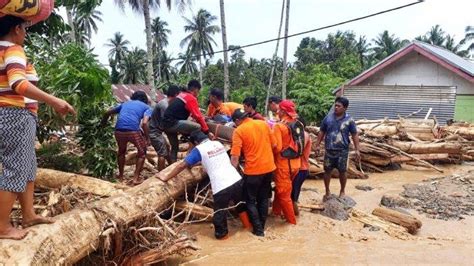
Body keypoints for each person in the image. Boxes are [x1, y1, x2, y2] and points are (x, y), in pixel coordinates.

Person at [0, 15, 76, 240]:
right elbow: (18, 83)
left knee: (28, 167)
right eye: (24, 29)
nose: (25, 34)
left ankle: (29, 214)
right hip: (16, 115)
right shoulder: (13, 49)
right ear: (16, 29)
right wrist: (54, 100)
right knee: (16, 169)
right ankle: (3, 227)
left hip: (11, 115)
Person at [156, 130, 251, 240]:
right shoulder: (218, 143)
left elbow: (181, 165)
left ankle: (223, 240)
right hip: (236, 179)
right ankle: (247, 228)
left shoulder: (199, 149)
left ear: (195, 142)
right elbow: (212, 159)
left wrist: (166, 177)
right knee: (240, 206)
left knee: (219, 215)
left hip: (221, 185)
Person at [230, 109, 276, 237]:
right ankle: (262, 226)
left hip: (253, 171)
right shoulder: (263, 124)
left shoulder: (239, 131)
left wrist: (231, 172)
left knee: (250, 200)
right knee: (263, 198)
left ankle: (258, 230)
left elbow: (235, 157)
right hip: (269, 168)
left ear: (238, 120)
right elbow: (274, 144)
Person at [314, 96, 361, 201]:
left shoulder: (349, 120)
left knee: (343, 171)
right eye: (335, 105)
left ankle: (342, 191)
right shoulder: (328, 118)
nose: (336, 108)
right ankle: (327, 191)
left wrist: (357, 149)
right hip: (329, 150)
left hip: (342, 151)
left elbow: (354, 135)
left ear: (345, 108)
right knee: (327, 171)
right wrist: (317, 145)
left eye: (339, 106)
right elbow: (322, 131)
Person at [101, 91, 151, 185]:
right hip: (133, 131)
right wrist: (147, 139)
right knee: (142, 153)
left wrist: (102, 125)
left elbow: (107, 113)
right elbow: (144, 123)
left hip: (119, 130)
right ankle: (135, 178)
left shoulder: (124, 104)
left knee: (121, 152)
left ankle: (120, 177)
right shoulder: (147, 107)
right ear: (145, 100)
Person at [162, 80, 211, 163]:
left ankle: (172, 165)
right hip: (173, 123)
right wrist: (207, 131)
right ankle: (191, 150)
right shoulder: (190, 98)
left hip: (165, 124)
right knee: (197, 127)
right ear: (195, 89)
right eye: (198, 91)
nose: (197, 93)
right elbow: (198, 116)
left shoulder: (181, 95)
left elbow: (190, 113)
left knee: (175, 147)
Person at [272, 100, 300, 225]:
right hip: (296, 164)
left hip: (283, 165)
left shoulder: (279, 126)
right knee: (281, 190)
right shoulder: (298, 123)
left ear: (282, 111)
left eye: (279, 109)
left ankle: (292, 223)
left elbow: (277, 147)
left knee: (284, 195)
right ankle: (276, 213)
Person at [148, 85, 180, 170]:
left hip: (158, 132)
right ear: (176, 94)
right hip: (155, 132)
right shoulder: (164, 105)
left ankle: (170, 167)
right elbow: (167, 121)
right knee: (162, 154)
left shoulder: (166, 103)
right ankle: (160, 175)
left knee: (167, 148)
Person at [290, 117, 312, 216]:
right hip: (298, 168)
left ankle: (295, 216)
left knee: (293, 196)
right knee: (293, 193)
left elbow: (297, 151)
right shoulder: (300, 135)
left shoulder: (304, 135)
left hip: (301, 169)